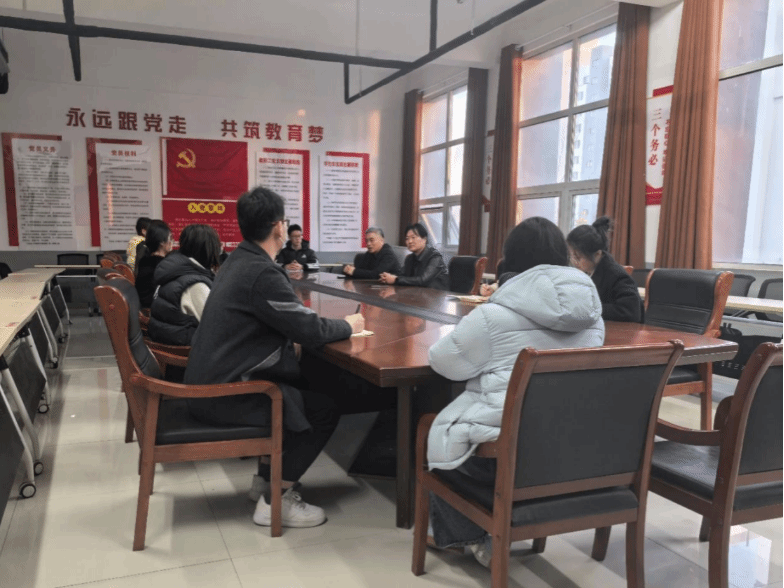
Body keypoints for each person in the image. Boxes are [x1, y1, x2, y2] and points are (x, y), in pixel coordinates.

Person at [425, 216, 605, 564]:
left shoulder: (494, 315)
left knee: (439, 429)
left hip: (506, 448)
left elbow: (443, 363)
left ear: (510, 260)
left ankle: (471, 534)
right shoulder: (593, 316)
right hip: (569, 444)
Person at [184, 187, 364, 529]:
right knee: (321, 410)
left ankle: (263, 484)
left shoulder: (237, 261)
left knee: (301, 388)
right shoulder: (262, 272)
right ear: (279, 227)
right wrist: (349, 325)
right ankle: (274, 502)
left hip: (211, 382)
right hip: (225, 394)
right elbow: (309, 328)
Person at [147, 224, 222, 346]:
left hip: (168, 341)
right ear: (209, 249)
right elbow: (217, 325)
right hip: (185, 351)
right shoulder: (195, 284)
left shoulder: (175, 269)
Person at [567, 216, 643, 323]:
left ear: (597, 254)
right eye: (572, 256)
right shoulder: (588, 271)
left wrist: (588, 308)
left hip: (621, 330)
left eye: (578, 257)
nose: (575, 261)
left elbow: (630, 312)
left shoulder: (617, 275)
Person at [379, 223, 448, 290]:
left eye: (413, 237)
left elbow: (423, 280)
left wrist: (395, 279)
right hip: (418, 293)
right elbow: (403, 276)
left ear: (424, 239)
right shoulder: (409, 258)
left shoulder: (435, 257)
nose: (410, 241)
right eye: (407, 238)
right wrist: (387, 277)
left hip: (437, 295)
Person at [135, 220, 173, 308]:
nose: (172, 241)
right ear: (162, 242)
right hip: (154, 309)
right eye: (170, 238)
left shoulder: (145, 260)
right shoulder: (161, 265)